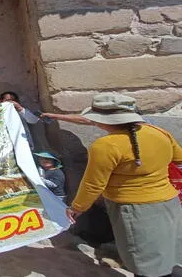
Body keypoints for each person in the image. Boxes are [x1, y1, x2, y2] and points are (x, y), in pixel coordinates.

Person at [61, 93, 181, 277]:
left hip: (133, 210)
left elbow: (94, 184)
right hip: (168, 203)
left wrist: (77, 207)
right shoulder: (159, 132)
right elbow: (179, 159)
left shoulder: (105, 146)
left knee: (144, 260)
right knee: (168, 251)